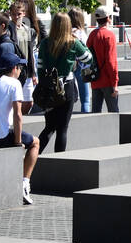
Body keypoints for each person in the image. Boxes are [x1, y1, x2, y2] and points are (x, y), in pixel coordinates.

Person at [0, 43, 39, 205]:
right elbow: (18, 115)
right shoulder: (14, 84)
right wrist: (18, 143)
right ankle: (24, 183)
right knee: (35, 142)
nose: (21, 71)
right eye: (20, 68)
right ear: (14, 68)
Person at [36, 10, 91, 154]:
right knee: (62, 128)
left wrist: (44, 84)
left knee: (49, 126)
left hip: (48, 88)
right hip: (66, 87)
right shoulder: (73, 43)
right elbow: (88, 58)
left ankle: (33, 156)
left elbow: (40, 67)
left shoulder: (45, 43)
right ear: (68, 25)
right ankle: (59, 159)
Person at [87, 6, 120, 113]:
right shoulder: (109, 35)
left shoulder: (92, 34)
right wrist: (115, 83)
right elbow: (111, 62)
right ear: (108, 18)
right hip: (107, 80)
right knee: (114, 112)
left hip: (95, 79)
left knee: (95, 112)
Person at [68, 8, 91, 114]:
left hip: (68, 65)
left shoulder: (65, 33)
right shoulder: (81, 33)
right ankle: (85, 116)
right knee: (85, 98)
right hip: (82, 65)